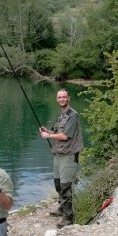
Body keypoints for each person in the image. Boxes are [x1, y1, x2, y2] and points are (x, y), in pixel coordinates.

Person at [39, 89, 84, 227]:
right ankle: (62, 208)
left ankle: (68, 217)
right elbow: (58, 132)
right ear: (57, 99)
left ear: (68, 98)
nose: (61, 99)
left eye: (64, 97)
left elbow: (65, 136)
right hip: (58, 155)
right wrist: (48, 131)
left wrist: (48, 136)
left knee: (66, 186)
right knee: (58, 184)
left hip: (69, 156)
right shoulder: (61, 116)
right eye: (59, 97)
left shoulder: (72, 116)